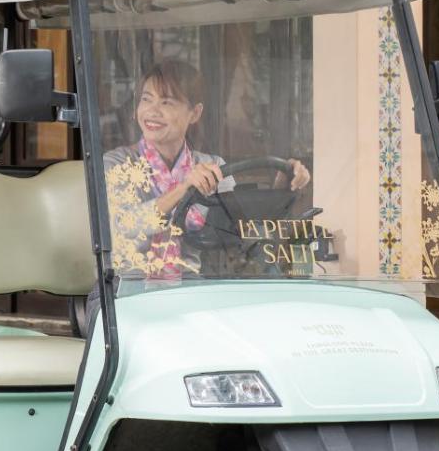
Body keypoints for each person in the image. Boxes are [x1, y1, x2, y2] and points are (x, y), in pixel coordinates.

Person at [87, 61, 310, 333]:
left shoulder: (211, 165)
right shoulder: (117, 162)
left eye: (167, 102)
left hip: (192, 291)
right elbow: (126, 225)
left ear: (194, 113)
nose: (152, 111)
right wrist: (184, 188)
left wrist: (284, 183)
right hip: (122, 292)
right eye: (146, 99)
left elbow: (239, 229)